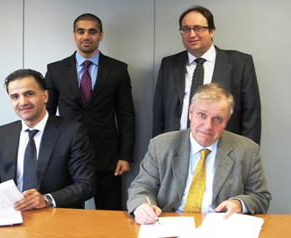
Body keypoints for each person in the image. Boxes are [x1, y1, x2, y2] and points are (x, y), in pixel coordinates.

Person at [127, 83, 270, 225]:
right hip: (169, 226)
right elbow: (141, 187)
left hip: (220, 228)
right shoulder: (160, 145)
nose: (207, 126)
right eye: (202, 115)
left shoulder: (247, 150)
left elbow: (261, 197)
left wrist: (239, 204)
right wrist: (142, 207)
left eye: (218, 119)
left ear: (227, 120)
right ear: (190, 113)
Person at [0, 69, 97, 211]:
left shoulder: (72, 132)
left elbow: (86, 184)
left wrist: (46, 199)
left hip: (55, 216)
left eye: (29, 94)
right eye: (15, 97)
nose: (22, 102)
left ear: (45, 96)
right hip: (10, 215)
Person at [44, 13, 135, 210]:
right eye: (81, 31)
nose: (86, 36)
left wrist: (125, 155)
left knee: (110, 217)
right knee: (69, 220)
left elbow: (126, 115)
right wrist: (47, 154)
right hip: (65, 156)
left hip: (107, 156)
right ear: (74, 35)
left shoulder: (118, 70)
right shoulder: (55, 70)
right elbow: (47, 116)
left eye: (92, 31)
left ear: (101, 35)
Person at [153, 5, 261, 145]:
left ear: (211, 31)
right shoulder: (169, 65)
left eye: (198, 28)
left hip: (224, 148)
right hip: (176, 146)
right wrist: (158, 148)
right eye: (186, 29)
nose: (192, 34)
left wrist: (248, 154)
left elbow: (251, 114)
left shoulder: (240, 63)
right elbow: (159, 114)